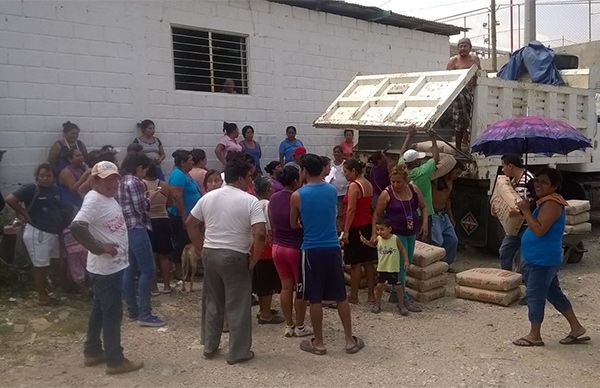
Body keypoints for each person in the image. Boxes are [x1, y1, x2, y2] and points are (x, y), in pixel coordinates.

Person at [186, 155, 266, 365]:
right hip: (235, 254)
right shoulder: (250, 201)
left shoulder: (208, 197)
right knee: (238, 303)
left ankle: (210, 344)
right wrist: (255, 258)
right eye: (248, 176)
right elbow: (259, 233)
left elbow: (190, 223)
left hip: (211, 252)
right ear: (240, 178)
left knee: (213, 300)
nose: (250, 180)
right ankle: (238, 352)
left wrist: (200, 246)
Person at [70, 161, 143, 374]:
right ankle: (115, 360)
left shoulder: (104, 197)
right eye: (106, 179)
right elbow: (77, 226)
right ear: (94, 181)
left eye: (114, 178)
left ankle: (92, 351)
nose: (112, 183)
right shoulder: (94, 199)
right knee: (112, 313)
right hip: (106, 268)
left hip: (110, 267)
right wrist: (99, 247)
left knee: (100, 310)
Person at [291, 153, 364, 355]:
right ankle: (349, 340)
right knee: (340, 295)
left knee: (314, 298)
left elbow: (293, 223)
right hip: (332, 246)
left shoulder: (298, 195)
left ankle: (320, 342)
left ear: (304, 171)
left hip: (311, 249)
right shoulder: (331, 190)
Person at [512, 168, 589, 347]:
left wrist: (526, 211)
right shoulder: (545, 202)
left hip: (542, 260)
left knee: (534, 296)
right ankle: (576, 328)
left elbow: (539, 230)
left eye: (544, 182)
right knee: (554, 294)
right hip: (541, 259)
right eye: (537, 180)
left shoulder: (552, 204)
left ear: (554, 186)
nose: (538, 184)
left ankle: (534, 335)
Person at [116, 152, 165, 327]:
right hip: (137, 227)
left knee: (130, 269)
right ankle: (145, 313)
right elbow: (140, 207)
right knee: (148, 270)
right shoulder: (135, 182)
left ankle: (133, 310)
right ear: (139, 168)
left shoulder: (121, 181)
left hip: (126, 229)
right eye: (145, 169)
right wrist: (150, 197)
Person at [5, 163, 64, 305]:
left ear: (53, 177)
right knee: (40, 265)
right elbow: (9, 199)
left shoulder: (55, 190)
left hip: (53, 232)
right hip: (37, 231)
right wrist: (23, 212)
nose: (45, 178)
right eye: (41, 176)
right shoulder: (31, 188)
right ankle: (42, 297)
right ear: (37, 177)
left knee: (54, 262)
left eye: (48, 176)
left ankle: (49, 290)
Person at [373, 165, 427, 312]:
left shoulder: (414, 190)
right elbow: (377, 214)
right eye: (393, 182)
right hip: (395, 235)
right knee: (402, 266)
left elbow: (423, 206)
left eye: (399, 182)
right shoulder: (387, 194)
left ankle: (395, 293)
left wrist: (425, 224)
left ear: (405, 181)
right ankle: (403, 299)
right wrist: (375, 233)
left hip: (411, 232)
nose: (396, 185)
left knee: (406, 263)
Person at [269, 166, 312, 338]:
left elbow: (272, 222)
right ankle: (300, 326)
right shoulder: (298, 197)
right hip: (295, 247)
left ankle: (289, 325)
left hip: (277, 247)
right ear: (295, 181)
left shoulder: (273, 198)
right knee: (300, 289)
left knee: (285, 287)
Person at [340, 159, 377, 305]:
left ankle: (354, 295)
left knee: (355, 264)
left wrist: (346, 231)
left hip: (356, 227)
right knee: (368, 262)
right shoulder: (368, 184)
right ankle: (371, 294)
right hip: (366, 225)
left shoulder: (354, 186)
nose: (345, 175)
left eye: (346, 172)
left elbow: (351, 209)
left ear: (354, 171)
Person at [359, 217, 409, 315]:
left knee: (398, 287)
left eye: (382, 229)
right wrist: (366, 242)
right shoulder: (378, 239)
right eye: (378, 229)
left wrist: (406, 260)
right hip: (382, 268)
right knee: (379, 286)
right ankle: (377, 304)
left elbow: (402, 249)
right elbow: (374, 246)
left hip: (393, 268)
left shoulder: (395, 239)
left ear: (389, 229)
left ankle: (401, 305)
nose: (379, 232)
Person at [252, 176, 284, 324]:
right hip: (266, 248)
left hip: (255, 247)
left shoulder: (253, 203)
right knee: (267, 282)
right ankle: (265, 313)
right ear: (267, 190)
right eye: (271, 187)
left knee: (260, 280)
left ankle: (263, 309)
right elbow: (272, 227)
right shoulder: (268, 205)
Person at [497, 154, 536, 272]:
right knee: (505, 251)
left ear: (511, 166)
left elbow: (538, 199)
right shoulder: (512, 181)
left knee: (524, 258)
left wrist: (527, 208)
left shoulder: (529, 179)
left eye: (504, 166)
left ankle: (525, 280)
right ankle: (507, 277)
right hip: (515, 225)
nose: (503, 170)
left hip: (527, 225)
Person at [58, 149, 89, 292]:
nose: (81, 157)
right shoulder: (66, 171)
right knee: (72, 252)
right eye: (78, 155)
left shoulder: (82, 168)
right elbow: (74, 189)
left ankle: (83, 280)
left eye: (81, 154)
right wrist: (87, 174)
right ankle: (70, 283)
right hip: (69, 209)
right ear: (70, 159)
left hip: (81, 208)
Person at [168, 150, 201, 276]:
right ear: (182, 162)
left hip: (191, 216)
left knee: (189, 241)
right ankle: (178, 269)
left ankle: (190, 269)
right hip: (180, 216)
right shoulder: (178, 175)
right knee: (181, 242)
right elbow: (177, 197)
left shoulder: (186, 174)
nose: (193, 162)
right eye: (190, 160)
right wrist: (184, 217)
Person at [400, 128, 440, 230]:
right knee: (424, 241)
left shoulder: (401, 168)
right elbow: (436, 158)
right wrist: (433, 139)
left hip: (408, 211)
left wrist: (409, 135)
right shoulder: (423, 172)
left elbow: (402, 154)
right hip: (423, 214)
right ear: (416, 162)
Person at [144, 162, 174, 295]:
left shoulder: (141, 185)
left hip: (148, 222)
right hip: (163, 220)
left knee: (151, 255)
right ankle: (167, 286)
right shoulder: (164, 185)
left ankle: (154, 288)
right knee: (164, 255)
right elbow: (170, 203)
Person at [446, 37, 481, 151]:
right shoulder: (453, 61)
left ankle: (468, 142)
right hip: (459, 93)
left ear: (470, 47)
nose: (462, 48)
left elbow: (480, 74)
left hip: (472, 92)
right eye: (460, 46)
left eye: (465, 46)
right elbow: (448, 79)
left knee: (472, 119)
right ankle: (458, 147)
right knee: (461, 119)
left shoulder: (475, 60)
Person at [430, 159, 464, 273]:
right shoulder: (436, 181)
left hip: (444, 215)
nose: (457, 176)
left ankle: (446, 264)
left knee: (453, 240)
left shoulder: (451, 182)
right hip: (434, 214)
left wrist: (451, 217)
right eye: (456, 173)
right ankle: (435, 265)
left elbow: (447, 200)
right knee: (437, 241)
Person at [325, 146, 349, 232]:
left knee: (342, 212)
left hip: (344, 192)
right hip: (333, 193)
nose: (336, 154)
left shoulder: (345, 164)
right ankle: (335, 228)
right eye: (335, 152)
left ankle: (341, 229)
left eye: (338, 152)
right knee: (334, 212)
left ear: (342, 153)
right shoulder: (331, 164)